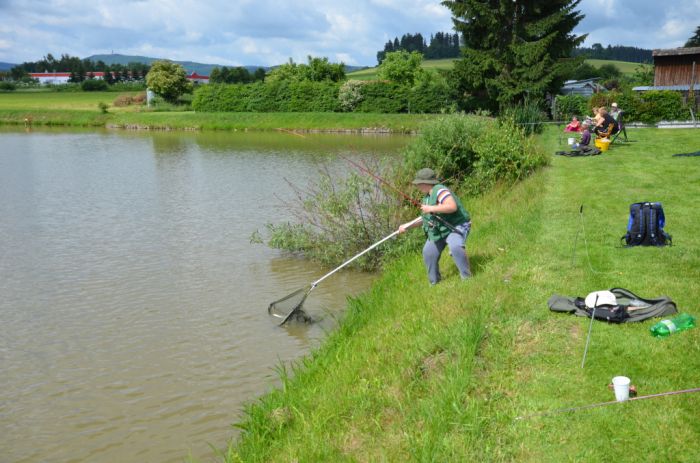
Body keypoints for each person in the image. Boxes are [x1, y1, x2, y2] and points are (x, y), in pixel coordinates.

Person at [398, 168, 471, 285]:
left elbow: (452, 206)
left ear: (426, 183)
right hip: (441, 230)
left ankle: (467, 279)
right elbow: (425, 218)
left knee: (455, 246)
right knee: (428, 252)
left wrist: (431, 208)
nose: (418, 186)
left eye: (419, 183)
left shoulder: (440, 190)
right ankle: (435, 283)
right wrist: (407, 226)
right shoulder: (427, 197)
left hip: (457, 226)